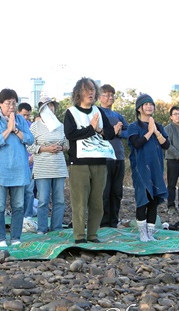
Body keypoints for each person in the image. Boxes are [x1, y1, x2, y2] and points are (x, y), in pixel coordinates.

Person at [64, 77, 115, 244]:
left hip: (99, 161)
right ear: (79, 93)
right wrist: (90, 129)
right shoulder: (71, 112)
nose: (91, 93)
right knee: (79, 202)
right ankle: (79, 236)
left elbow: (110, 134)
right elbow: (71, 135)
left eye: (93, 90)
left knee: (97, 202)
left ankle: (93, 234)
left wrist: (98, 129)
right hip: (79, 163)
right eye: (87, 90)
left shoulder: (99, 112)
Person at [0, 89, 34, 247]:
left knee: (19, 206)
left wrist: (15, 129)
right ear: (0, 104)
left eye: (14, 103)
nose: (11, 106)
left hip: (19, 170)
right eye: (8, 103)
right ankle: (1, 238)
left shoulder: (21, 120)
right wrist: (8, 129)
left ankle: (15, 237)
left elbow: (30, 139)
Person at [128, 94, 170, 242]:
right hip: (141, 168)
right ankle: (142, 233)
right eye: (146, 104)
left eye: (151, 104)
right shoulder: (134, 126)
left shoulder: (159, 126)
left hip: (156, 167)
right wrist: (150, 132)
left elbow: (166, 145)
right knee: (143, 198)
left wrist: (156, 131)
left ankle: (150, 233)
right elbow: (136, 144)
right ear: (139, 108)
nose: (149, 107)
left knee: (154, 198)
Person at [27, 97, 68, 235]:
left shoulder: (61, 126)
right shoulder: (35, 126)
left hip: (59, 167)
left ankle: (57, 228)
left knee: (60, 200)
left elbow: (67, 145)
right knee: (43, 200)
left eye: (52, 106)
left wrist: (60, 148)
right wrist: (46, 149)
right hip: (42, 168)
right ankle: (42, 228)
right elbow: (29, 146)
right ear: (41, 110)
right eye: (47, 106)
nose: (50, 109)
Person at [99, 84, 129, 228]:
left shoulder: (117, 115)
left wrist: (119, 133)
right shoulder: (96, 113)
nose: (110, 97)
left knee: (117, 192)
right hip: (103, 157)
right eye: (106, 94)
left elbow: (129, 132)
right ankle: (103, 223)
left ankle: (114, 221)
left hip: (119, 157)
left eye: (112, 95)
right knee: (105, 192)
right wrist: (112, 130)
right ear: (99, 97)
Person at [18, 102, 38, 232]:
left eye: (28, 115)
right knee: (19, 193)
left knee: (29, 192)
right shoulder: (13, 126)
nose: (26, 118)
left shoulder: (32, 127)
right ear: (18, 112)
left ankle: (28, 217)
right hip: (17, 166)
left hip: (30, 166)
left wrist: (32, 156)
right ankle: (19, 218)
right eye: (24, 115)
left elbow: (35, 144)